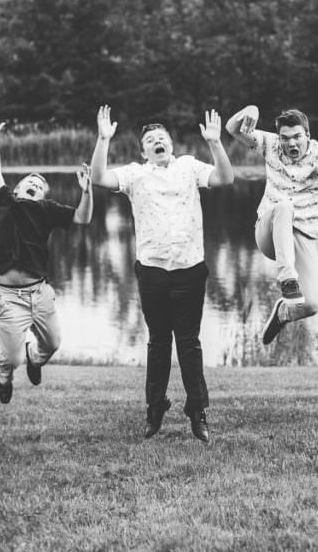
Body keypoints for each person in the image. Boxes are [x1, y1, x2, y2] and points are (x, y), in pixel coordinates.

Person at [90, 105, 234, 442]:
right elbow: (99, 178)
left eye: (162, 138)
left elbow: (226, 178)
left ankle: (197, 411)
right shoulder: (135, 174)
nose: (157, 142)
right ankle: (155, 408)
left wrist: (215, 143)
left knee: (189, 343)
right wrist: (103, 139)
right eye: (150, 140)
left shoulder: (189, 167)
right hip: (153, 271)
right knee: (158, 342)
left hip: (190, 269)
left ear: (171, 144)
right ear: (144, 152)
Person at [0, 111, 93, 404]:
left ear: (42, 196)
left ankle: (35, 356)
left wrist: (87, 192)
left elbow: (83, 217)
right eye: (31, 182)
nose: (36, 185)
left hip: (39, 294)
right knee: (11, 358)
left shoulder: (47, 210)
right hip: (9, 298)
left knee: (53, 343)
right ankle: (4, 375)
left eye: (40, 186)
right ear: (17, 189)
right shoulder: (5, 202)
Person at [224, 105, 318, 344]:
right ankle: (288, 280)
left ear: (307, 135)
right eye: (285, 138)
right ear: (279, 137)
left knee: (311, 304)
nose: (291, 143)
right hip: (270, 231)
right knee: (284, 206)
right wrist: (250, 110)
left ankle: (283, 312)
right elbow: (232, 128)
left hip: (306, 236)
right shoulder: (271, 144)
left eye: (297, 137)